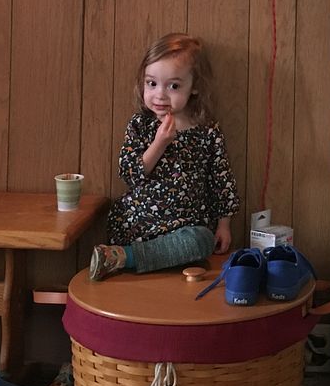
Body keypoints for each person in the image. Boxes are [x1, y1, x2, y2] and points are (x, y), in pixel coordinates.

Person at [89, 33, 240, 280]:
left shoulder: (207, 131)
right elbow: (129, 174)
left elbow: (221, 181)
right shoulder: (140, 124)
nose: (160, 95)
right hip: (140, 223)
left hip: (184, 229)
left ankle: (125, 258)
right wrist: (159, 143)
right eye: (151, 83)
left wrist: (224, 224)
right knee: (123, 221)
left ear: (195, 86)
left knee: (202, 240)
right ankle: (126, 254)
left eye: (174, 86)